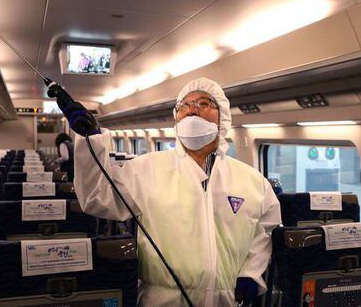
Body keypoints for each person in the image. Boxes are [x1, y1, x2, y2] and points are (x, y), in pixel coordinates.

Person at [52, 77, 281, 307]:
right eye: (184, 105)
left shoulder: (252, 181)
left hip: (227, 299)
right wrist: (91, 137)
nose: (192, 109)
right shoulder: (145, 169)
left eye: (204, 103)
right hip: (162, 299)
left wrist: (251, 272)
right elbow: (96, 198)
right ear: (176, 116)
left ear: (222, 116)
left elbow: (264, 229)